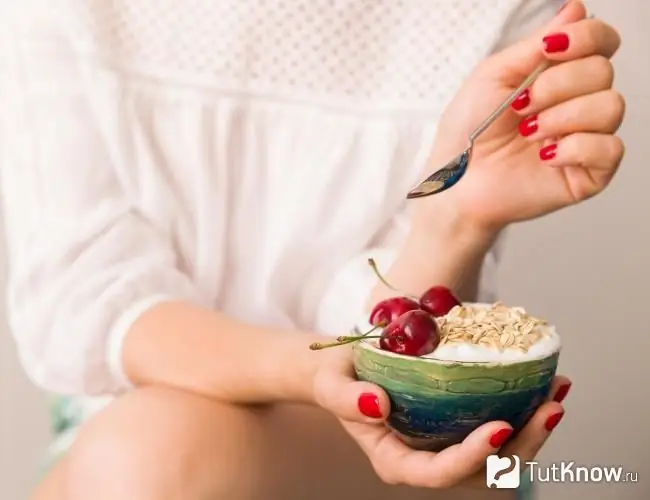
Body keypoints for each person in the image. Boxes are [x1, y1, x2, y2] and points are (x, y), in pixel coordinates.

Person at [0, 0, 624, 499]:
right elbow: (87, 302)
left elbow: (406, 361)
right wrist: (312, 371)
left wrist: (451, 224)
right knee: (143, 449)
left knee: (143, 455)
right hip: (129, 441)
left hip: (429, 448)